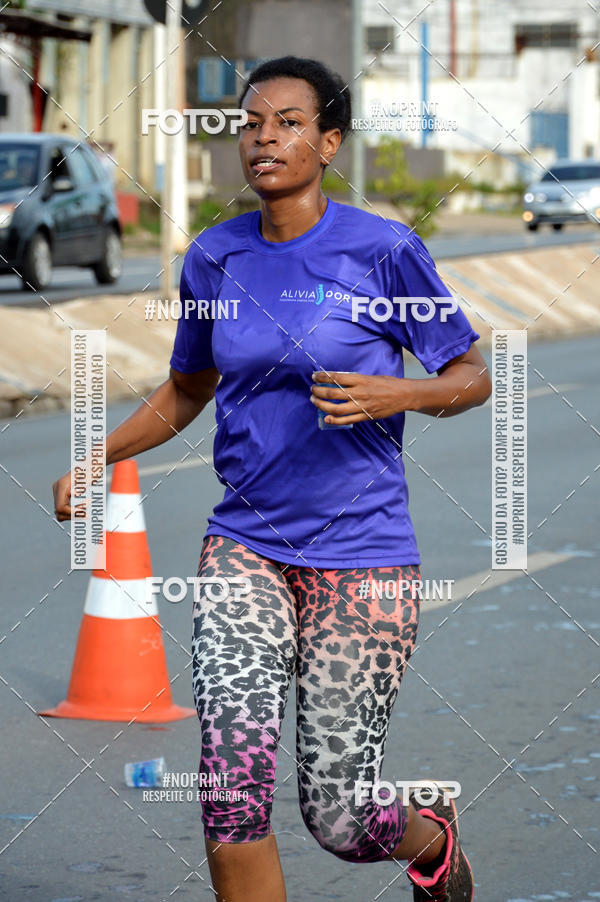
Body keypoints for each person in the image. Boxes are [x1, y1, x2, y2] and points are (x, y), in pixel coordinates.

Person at [54, 56, 491, 902]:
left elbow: (471, 373)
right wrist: (98, 455)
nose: (264, 136)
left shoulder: (384, 250)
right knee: (230, 794)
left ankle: (427, 837)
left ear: (329, 142)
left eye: (289, 122)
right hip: (244, 550)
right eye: (251, 122)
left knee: (339, 817)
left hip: (362, 558)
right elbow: (188, 388)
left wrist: (406, 391)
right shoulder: (215, 259)